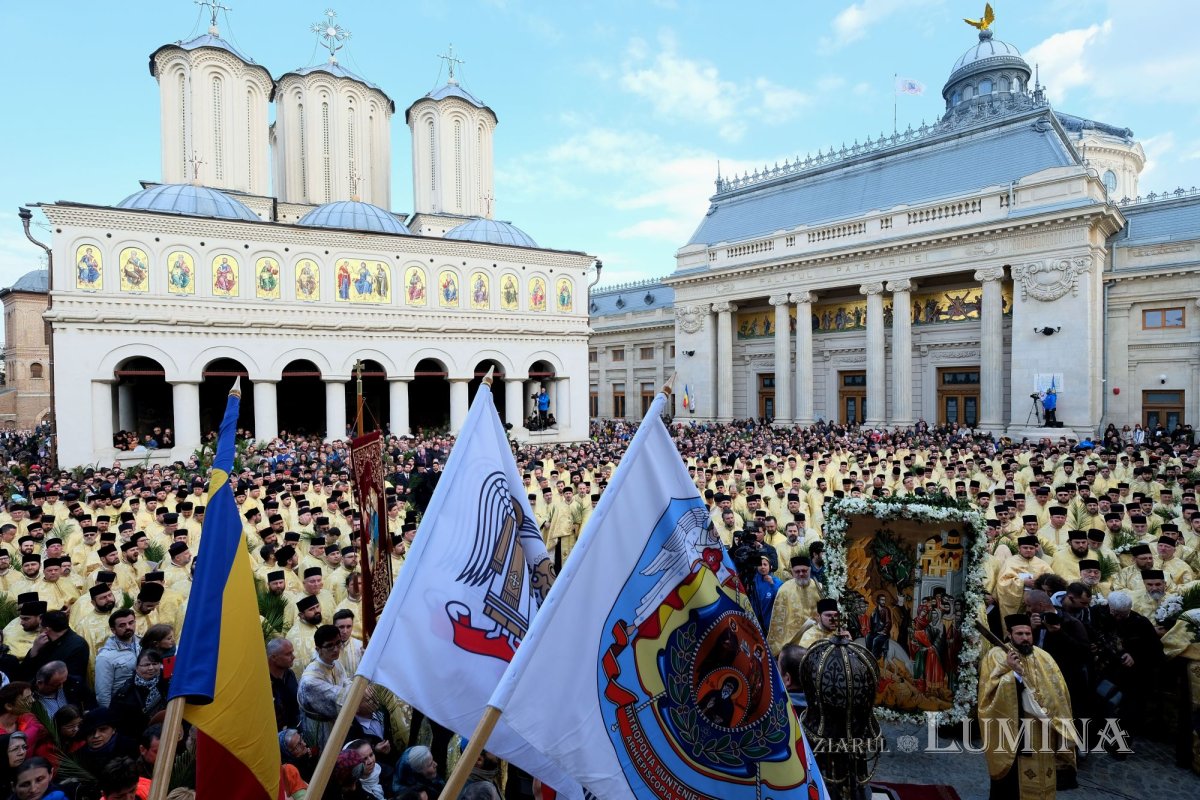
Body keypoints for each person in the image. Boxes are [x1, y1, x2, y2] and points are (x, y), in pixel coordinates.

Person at [977, 614, 1075, 800]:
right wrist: (1013, 674)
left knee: (1043, 775)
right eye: (1020, 633)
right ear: (1009, 634)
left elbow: (1059, 691)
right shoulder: (997, 655)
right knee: (1011, 784)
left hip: (1043, 727)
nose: (1025, 638)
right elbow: (989, 692)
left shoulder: (1043, 656)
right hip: (1014, 728)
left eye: (1028, 633)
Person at [297, 625, 349, 749]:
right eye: (330, 646)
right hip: (321, 728)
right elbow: (338, 699)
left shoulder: (335, 662)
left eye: (338, 643)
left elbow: (346, 682)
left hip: (336, 724)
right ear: (318, 649)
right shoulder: (310, 681)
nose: (336, 649)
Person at [766, 556, 823, 654]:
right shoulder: (784, 590)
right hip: (791, 640)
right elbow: (778, 621)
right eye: (797, 571)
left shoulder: (819, 587)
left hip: (815, 637)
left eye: (804, 571)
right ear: (792, 572)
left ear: (809, 570)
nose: (801, 574)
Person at [109, 649, 169, 738]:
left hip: (166, 731)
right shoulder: (124, 694)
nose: (151, 668)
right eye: (146, 665)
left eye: (155, 663)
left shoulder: (167, 682)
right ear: (137, 668)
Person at [95, 609, 140, 709]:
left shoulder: (143, 643)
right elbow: (103, 693)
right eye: (122, 625)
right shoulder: (105, 657)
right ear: (113, 630)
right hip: (123, 707)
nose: (128, 627)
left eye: (131, 623)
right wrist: (109, 716)